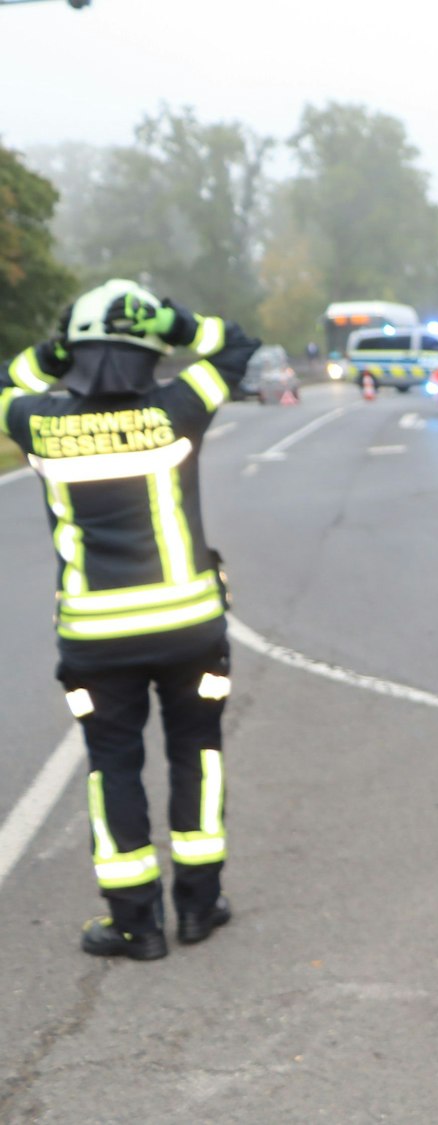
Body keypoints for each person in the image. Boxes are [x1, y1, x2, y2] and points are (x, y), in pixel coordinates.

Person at [1, 280, 260, 960]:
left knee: (111, 766)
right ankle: (200, 908)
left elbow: (5, 381)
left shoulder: (40, 421)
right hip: (191, 633)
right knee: (197, 752)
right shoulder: (179, 406)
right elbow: (237, 348)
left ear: (78, 355)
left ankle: (134, 925)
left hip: (95, 642)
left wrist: (55, 352)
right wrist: (176, 319)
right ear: (149, 353)